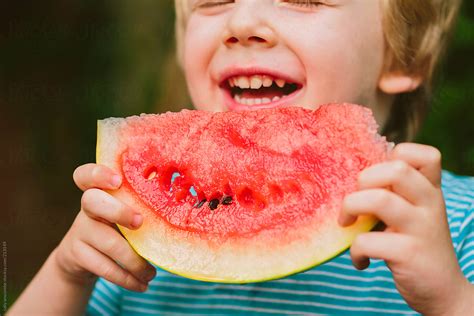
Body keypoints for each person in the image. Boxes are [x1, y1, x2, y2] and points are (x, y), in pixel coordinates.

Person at [8, 0, 474, 315]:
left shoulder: (459, 227)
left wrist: (452, 301)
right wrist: (68, 274)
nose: (242, 25)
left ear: (405, 56)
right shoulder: (137, 233)